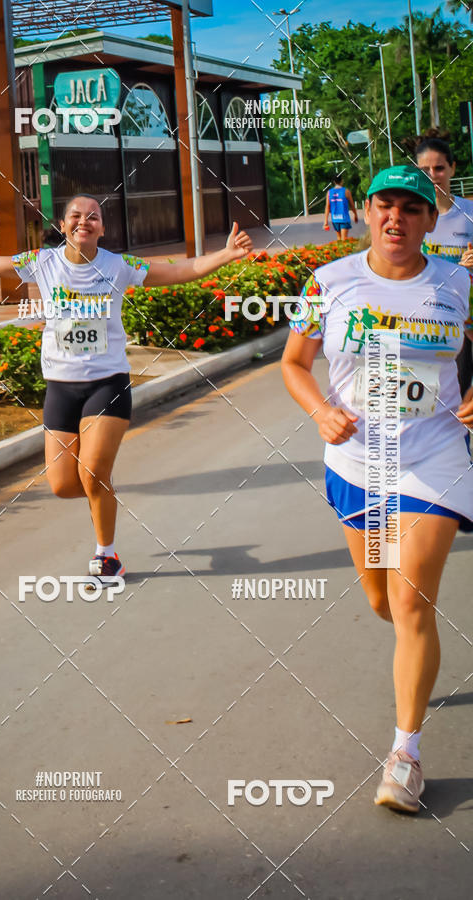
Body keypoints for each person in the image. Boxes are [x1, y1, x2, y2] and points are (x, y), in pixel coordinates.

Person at [0, 196, 252, 579]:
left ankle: (107, 556)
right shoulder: (42, 262)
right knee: (62, 485)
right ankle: (102, 490)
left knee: (92, 473)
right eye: (75, 215)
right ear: (63, 224)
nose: (83, 221)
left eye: (93, 217)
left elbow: (177, 270)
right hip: (61, 387)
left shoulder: (119, 266)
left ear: (102, 228)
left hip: (107, 384)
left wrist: (225, 255)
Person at [282, 165, 473, 813]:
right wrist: (321, 411)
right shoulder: (327, 283)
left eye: (412, 208)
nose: (397, 218)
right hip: (357, 462)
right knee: (382, 600)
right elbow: (294, 363)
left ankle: (405, 756)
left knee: (411, 600)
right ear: (366, 211)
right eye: (385, 205)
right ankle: (415, 654)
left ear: (430, 220)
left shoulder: (457, 283)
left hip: (434, 457)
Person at [415, 130, 473, 397]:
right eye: (424, 170)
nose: (433, 175)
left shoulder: (469, 213)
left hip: (467, 314)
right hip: (429, 318)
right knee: (441, 394)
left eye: (439, 168)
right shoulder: (410, 215)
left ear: (452, 168)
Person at [323, 174, 358, 240]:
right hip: (344, 219)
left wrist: (326, 221)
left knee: (339, 238)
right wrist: (355, 215)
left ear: (334, 182)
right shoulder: (346, 191)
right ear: (342, 181)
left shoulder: (329, 192)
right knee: (344, 239)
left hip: (335, 219)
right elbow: (352, 205)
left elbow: (327, 207)